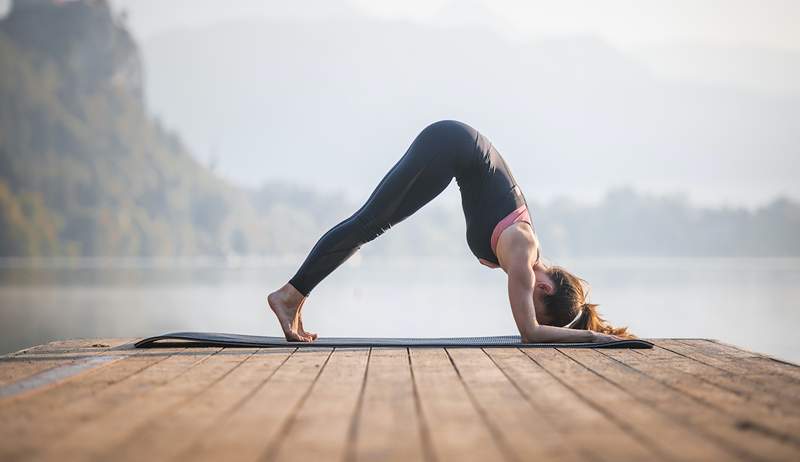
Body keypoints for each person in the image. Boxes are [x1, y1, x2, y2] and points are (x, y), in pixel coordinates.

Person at [268, 120, 632, 343]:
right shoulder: (522, 255)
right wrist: (590, 337)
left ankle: (294, 298)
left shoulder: (521, 255)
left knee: (371, 225)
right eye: (537, 306)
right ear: (544, 288)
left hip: (451, 149)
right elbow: (530, 332)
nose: (527, 309)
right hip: (449, 143)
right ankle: (288, 296)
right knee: (367, 222)